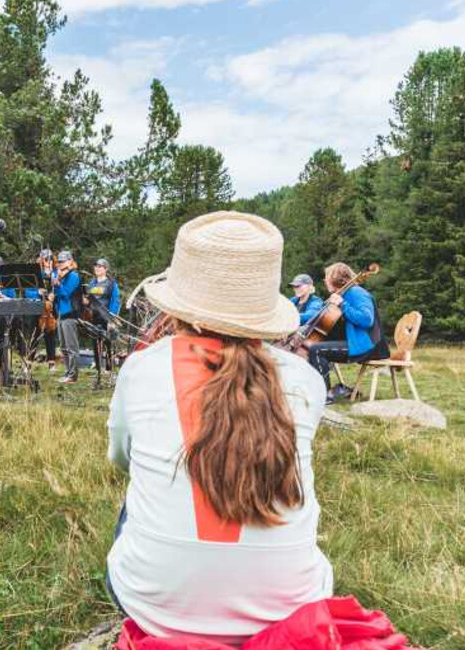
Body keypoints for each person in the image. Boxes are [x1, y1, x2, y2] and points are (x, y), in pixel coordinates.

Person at [106, 211, 330, 646]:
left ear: (180, 303)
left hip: (154, 610)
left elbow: (121, 459)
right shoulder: (305, 380)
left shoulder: (141, 367)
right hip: (289, 612)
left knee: (133, 502)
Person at [304, 262, 388, 403]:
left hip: (366, 345)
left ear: (335, 278)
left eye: (327, 277)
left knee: (316, 350)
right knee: (312, 346)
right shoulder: (344, 293)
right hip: (353, 341)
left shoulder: (356, 293)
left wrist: (342, 304)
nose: (325, 281)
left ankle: (325, 395)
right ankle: (317, 390)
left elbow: (367, 319)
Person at [84, 257, 122, 372]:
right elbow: (88, 300)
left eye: (99, 266)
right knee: (95, 342)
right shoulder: (92, 283)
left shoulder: (111, 284)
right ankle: (98, 368)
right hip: (93, 317)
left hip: (106, 316)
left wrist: (112, 318)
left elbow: (116, 300)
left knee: (107, 342)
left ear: (105, 269)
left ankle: (109, 368)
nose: (97, 268)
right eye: (96, 266)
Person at [52, 250, 83, 383]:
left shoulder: (73, 276)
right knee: (63, 346)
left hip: (70, 314)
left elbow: (65, 294)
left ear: (70, 262)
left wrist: (58, 284)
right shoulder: (62, 276)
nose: (60, 264)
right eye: (59, 262)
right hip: (60, 314)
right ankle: (67, 372)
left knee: (71, 347)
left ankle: (73, 375)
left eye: (63, 261)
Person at [26, 249, 60, 372]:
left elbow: (62, 290)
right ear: (41, 260)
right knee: (34, 335)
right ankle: (28, 363)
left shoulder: (57, 272)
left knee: (50, 335)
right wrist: (37, 292)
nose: (48, 262)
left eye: (51, 259)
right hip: (37, 306)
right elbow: (27, 292)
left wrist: (54, 294)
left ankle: (51, 363)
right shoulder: (35, 274)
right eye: (46, 259)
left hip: (51, 307)